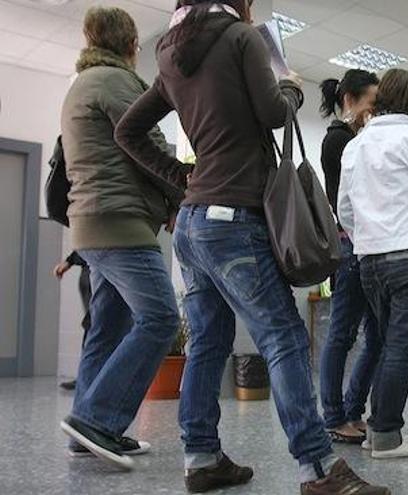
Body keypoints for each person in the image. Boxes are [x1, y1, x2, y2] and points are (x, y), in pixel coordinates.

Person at [115, 1, 388, 494]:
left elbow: (126, 130)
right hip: (235, 218)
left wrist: (181, 177)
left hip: (194, 224)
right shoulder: (242, 38)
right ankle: (319, 468)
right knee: (283, 337)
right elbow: (273, 111)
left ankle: (201, 458)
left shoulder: (168, 56)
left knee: (206, 343)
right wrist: (290, 87)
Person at [58, 6, 182, 468]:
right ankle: (98, 419)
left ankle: (86, 430)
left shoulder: (81, 86)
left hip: (91, 224)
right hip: (121, 222)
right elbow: (149, 148)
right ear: (131, 45)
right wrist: (180, 194)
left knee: (107, 329)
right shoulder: (116, 82)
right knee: (160, 317)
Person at [338, 68, 408, 459]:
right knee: (400, 349)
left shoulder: (357, 144)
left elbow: (344, 209)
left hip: (370, 261)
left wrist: (367, 240)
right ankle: (387, 433)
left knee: (387, 345)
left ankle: (376, 429)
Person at [318, 69, 381, 445]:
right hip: (349, 246)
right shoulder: (339, 141)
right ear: (349, 99)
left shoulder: (357, 138)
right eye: (371, 102)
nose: (373, 111)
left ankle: (352, 408)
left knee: (376, 337)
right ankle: (333, 415)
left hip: (367, 247)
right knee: (341, 335)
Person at [54, 251, 92, 391]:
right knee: (93, 327)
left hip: (97, 271)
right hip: (92, 271)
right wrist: (70, 260)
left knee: (94, 327)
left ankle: (88, 377)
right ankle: (87, 377)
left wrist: (69, 261)